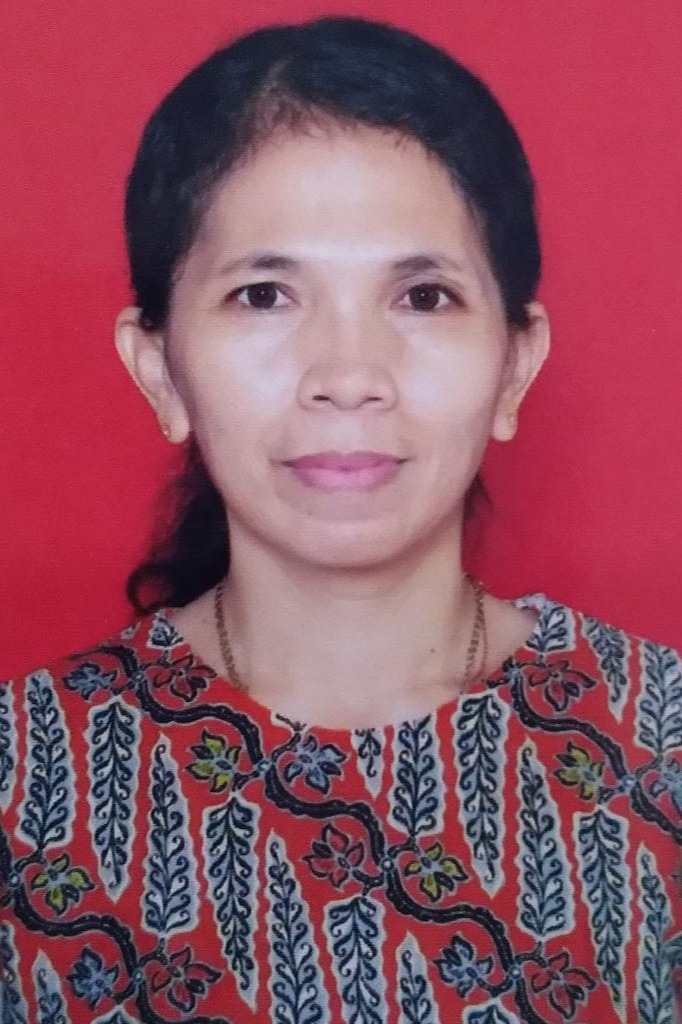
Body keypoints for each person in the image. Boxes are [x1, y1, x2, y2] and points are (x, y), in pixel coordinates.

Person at [0, 15, 680, 1024]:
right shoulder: (22, 775)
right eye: (264, 294)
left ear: (514, 364)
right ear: (160, 370)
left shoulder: (660, 740)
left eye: (424, 296)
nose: (349, 375)